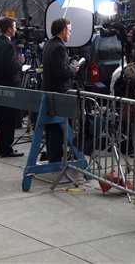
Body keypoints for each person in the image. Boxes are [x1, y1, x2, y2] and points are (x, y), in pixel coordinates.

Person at [42, 18, 78, 163]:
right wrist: (73, 69)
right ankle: (56, 159)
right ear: (63, 30)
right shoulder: (59, 47)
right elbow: (61, 72)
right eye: (69, 30)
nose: (70, 33)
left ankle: (53, 156)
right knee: (59, 128)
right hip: (59, 93)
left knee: (52, 128)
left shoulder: (49, 44)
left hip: (49, 91)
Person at [0, 17, 24, 158]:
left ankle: (0, 148)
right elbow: (10, 67)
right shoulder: (8, 45)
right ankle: (7, 149)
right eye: (14, 27)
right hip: (9, 86)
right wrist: (20, 62)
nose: (16, 29)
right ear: (9, 29)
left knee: (1, 120)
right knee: (9, 119)